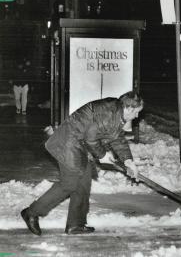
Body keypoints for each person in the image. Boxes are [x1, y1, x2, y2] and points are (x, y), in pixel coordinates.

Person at [21, 91, 144, 235]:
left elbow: (117, 138)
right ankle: (31, 212)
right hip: (68, 143)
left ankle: (75, 224)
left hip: (79, 145)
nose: (137, 116)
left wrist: (128, 161)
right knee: (69, 183)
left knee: (84, 182)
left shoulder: (117, 112)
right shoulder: (109, 113)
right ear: (128, 108)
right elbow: (91, 137)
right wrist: (102, 155)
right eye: (136, 112)